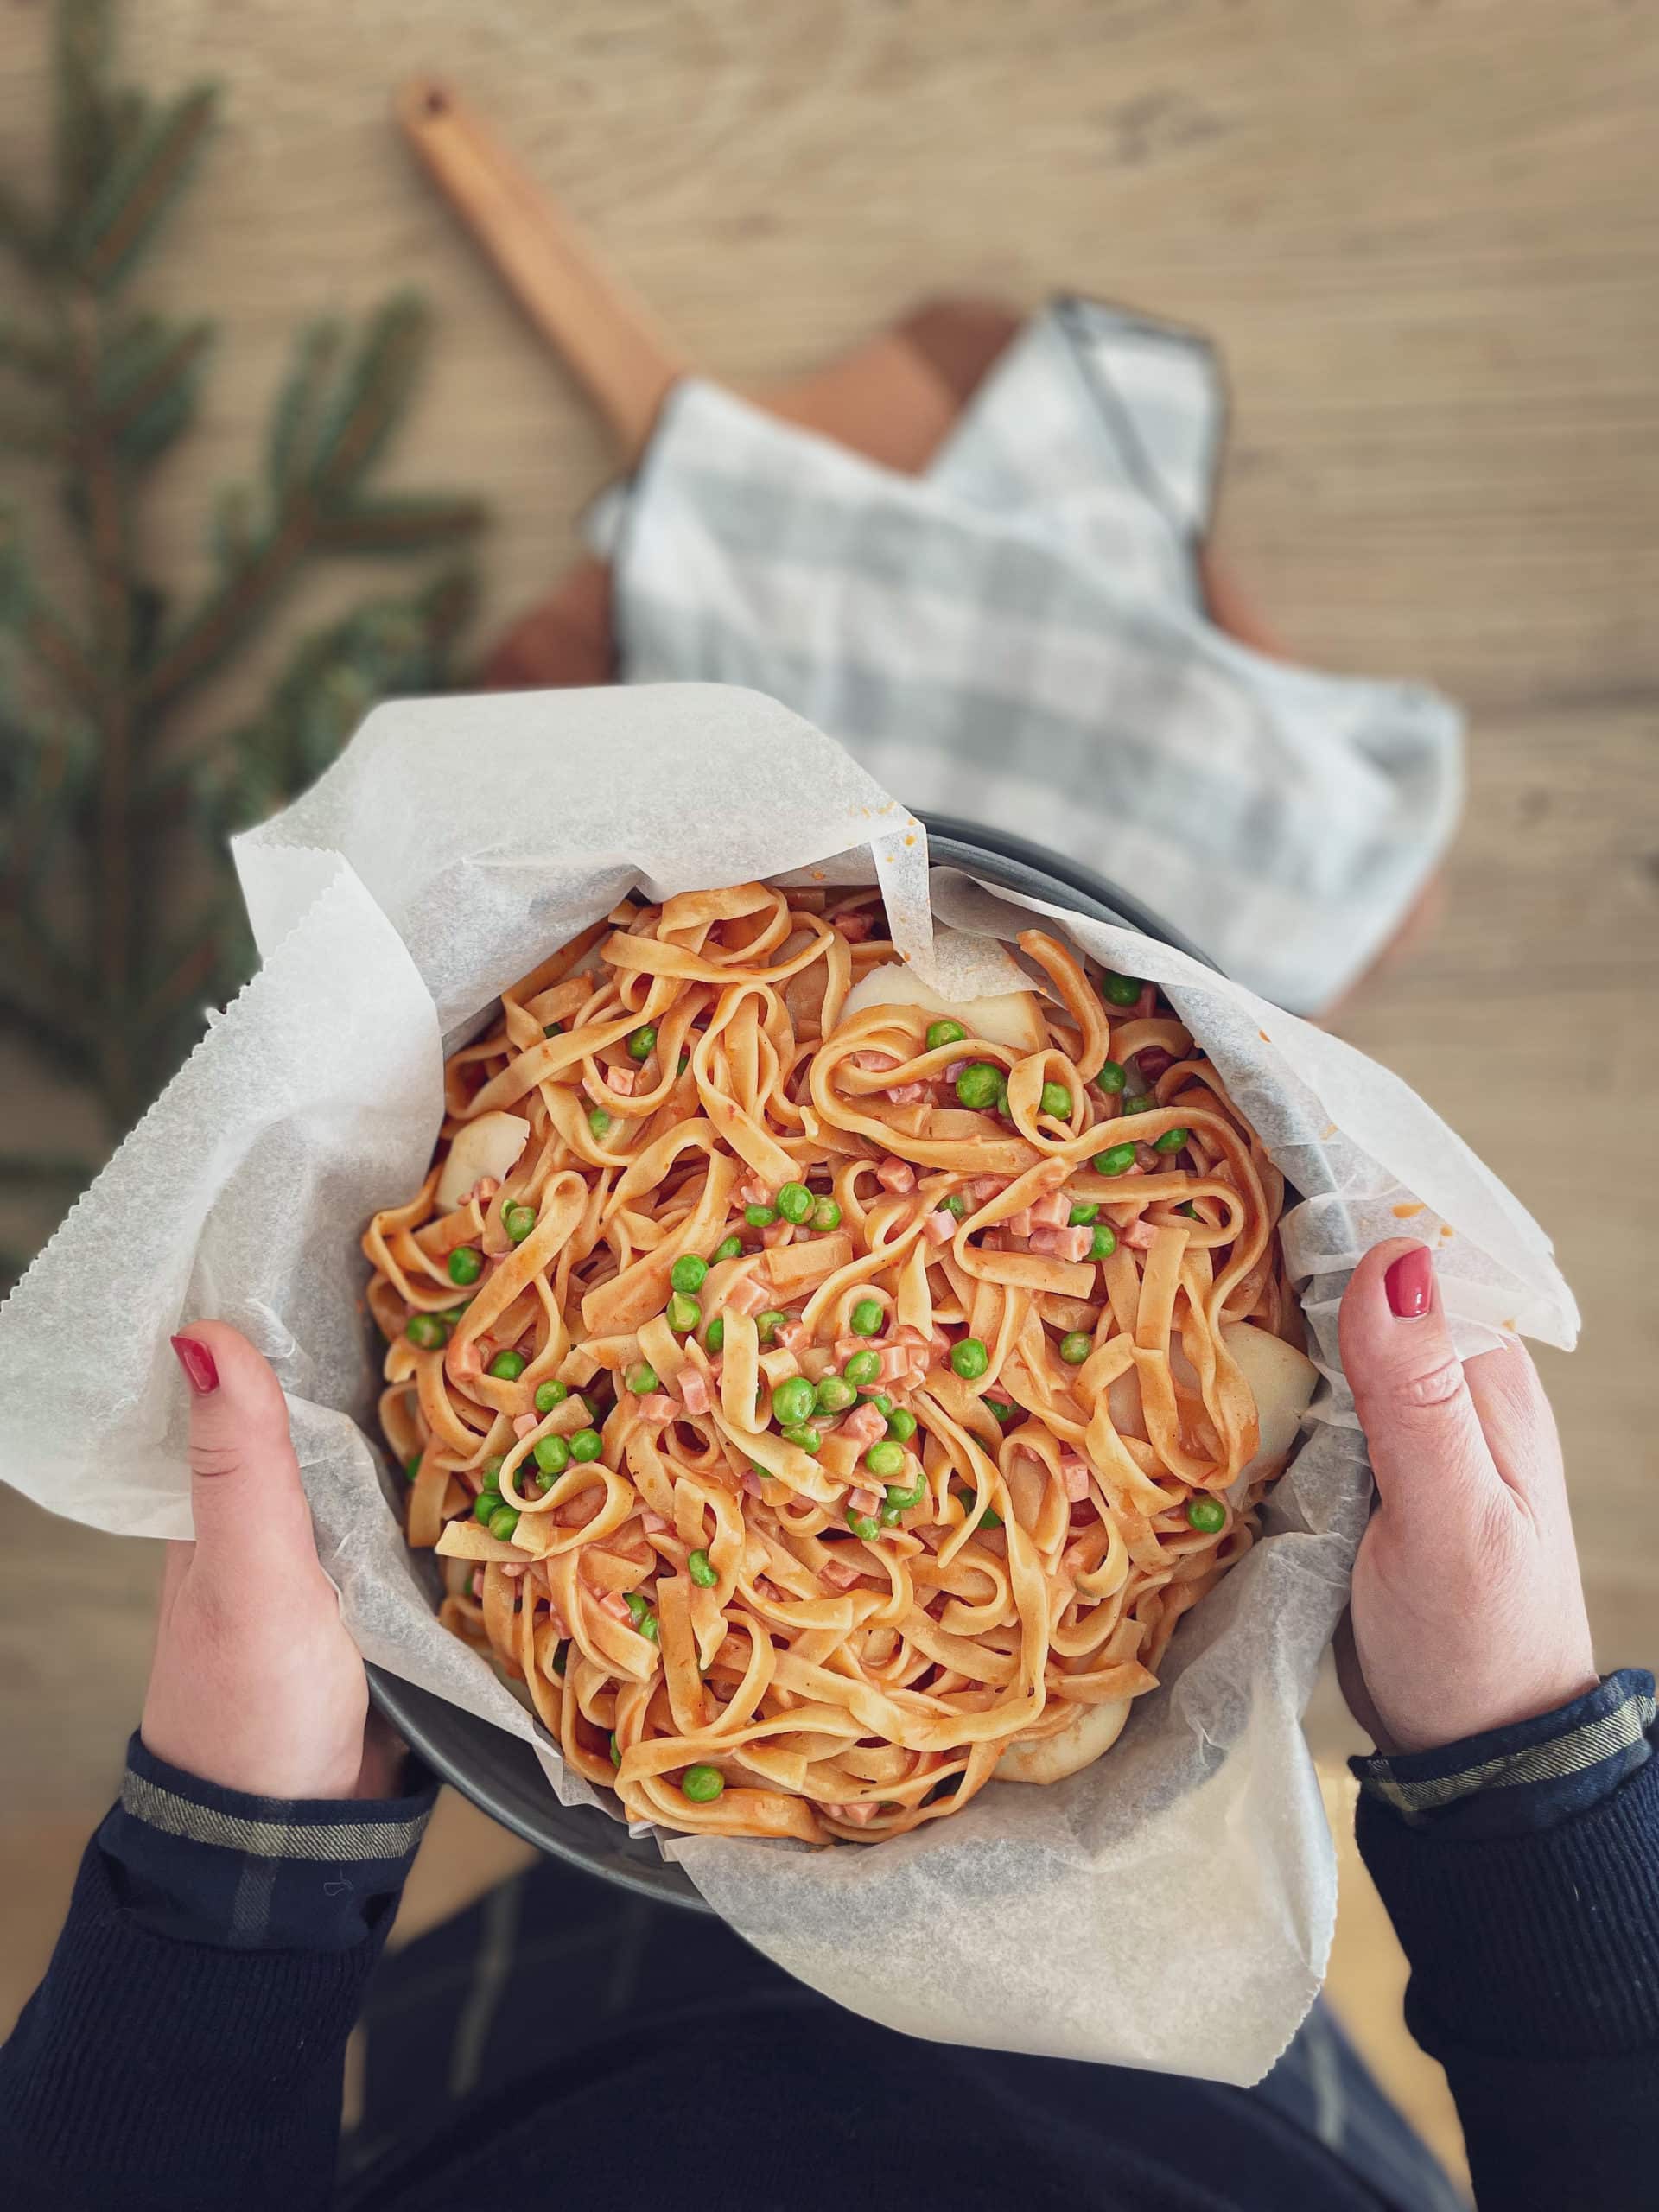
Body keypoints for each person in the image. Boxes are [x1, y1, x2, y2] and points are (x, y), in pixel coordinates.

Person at [2, 1242, 1652, 2211]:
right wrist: (1524, 1774)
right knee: (660, 1792)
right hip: (1193, 2092)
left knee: (628, 1835)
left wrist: (237, 1880)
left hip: (557, 2051)